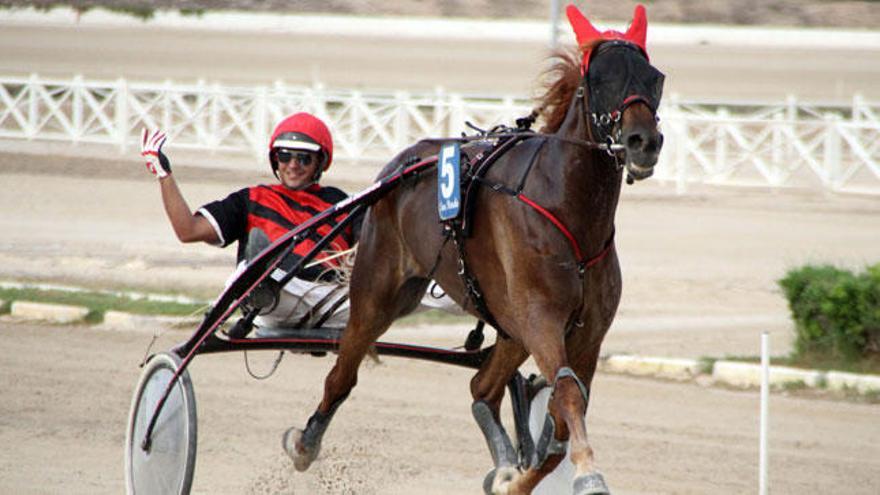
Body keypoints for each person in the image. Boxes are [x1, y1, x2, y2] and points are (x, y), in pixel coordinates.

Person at [141, 112, 357, 334]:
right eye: (284, 156)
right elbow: (188, 230)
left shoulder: (343, 203)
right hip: (278, 298)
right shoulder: (252, 199)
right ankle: (258, 283)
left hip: (332, 303)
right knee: (252, 268)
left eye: (303, 158)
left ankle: (256, 282)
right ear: (275, 159)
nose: (293, 165)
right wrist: (163, 175)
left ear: (320, 162)